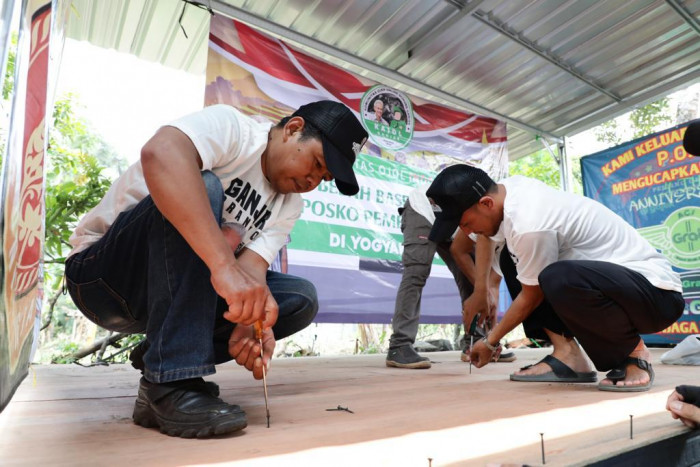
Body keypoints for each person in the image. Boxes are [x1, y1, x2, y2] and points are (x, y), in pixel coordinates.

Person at [65, 101, 368, 438]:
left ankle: (160, 367)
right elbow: (160, 153)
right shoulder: (237, 131)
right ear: (294, 129)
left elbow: (250, 273)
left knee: (297, 298)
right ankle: (172, 382)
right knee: (204, 184)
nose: (314, 180)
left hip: (164, 296)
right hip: (103, 280)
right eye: (317, 162)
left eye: (323, 178)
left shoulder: (289, 205)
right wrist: (223, 264)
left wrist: (251, 320)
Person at [427, 164, 685, 392]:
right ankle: (567, 356)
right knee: (515, 259)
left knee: (553, 275)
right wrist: (480, 291)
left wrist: (489, 341)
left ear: (486, 204)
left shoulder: (530, 223)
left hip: (655, 294)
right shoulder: (507, 191)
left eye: (465, 223)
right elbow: (485, 236)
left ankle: (635, 355)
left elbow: (531, 296)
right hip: (618, 289)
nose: (466, 232)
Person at [385, 185, 513, 369]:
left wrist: (491, 336)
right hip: (424, 209)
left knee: (474, 275)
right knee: (417, 271)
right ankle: (399, 345)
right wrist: (483, 292)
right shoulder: (488, 213)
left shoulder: (506, 233)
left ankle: (476, 341)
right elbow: (457, 250)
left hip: (454, 222)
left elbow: (491, 283)